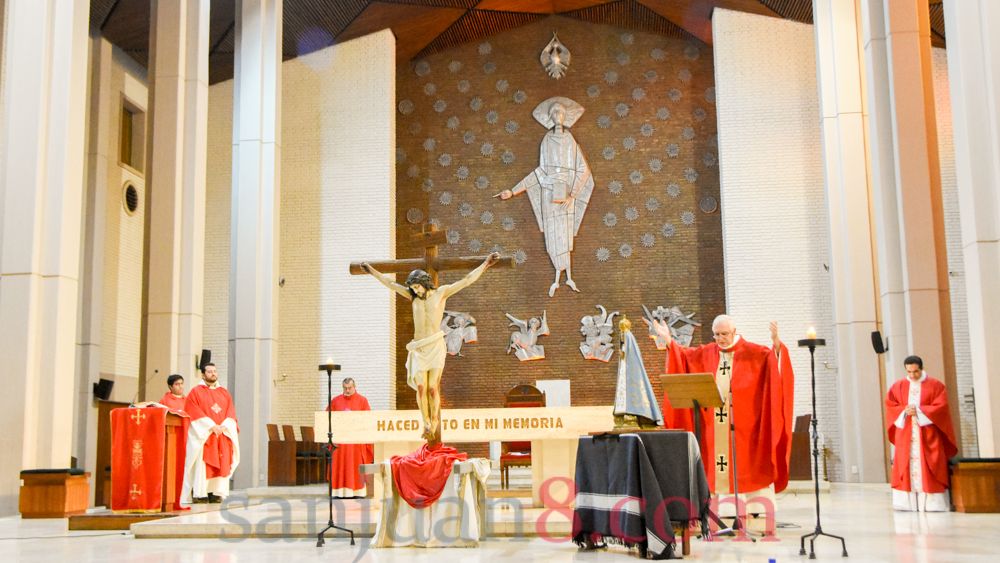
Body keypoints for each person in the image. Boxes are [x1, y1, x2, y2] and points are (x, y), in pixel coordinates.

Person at [361, 252, 501, 444]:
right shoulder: (413, 298)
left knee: (433, 389)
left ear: (424, 282)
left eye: (417, 286)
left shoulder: (441, 293)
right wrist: (371, 271)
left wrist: (485, 264)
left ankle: (434, 421)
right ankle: (425, 422)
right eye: (413, 288)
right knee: (420, 387)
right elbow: (390, 284)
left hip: (435, 345)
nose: (415, 290)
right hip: (419, 348)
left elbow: (467, 280)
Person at [652, 314, 794, 503]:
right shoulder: (707, 352)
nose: (720, 338)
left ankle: (753, 509)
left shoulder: (754, 352)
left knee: (748, 468)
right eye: (716, 334)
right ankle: (717, 509)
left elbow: (774, 366)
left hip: (744, 428)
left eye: (724, 334)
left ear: (734, 332)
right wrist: (669, 340)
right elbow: (684, 356)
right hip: (714, 426)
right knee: (715, 466)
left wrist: (777, 345)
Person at [496, 96, 594, 297]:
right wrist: (513, 191)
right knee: (552, 236)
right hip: (549, 193)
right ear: (550, 117)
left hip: (566, 194)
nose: (558, 115)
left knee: (565, 236)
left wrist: (572, 195)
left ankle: (568, 277)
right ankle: (557, 277)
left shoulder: (570, 140)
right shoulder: (546, 140)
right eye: (554, 113)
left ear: (566, 116)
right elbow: (540, 171)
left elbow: (582, 170)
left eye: (561, 112)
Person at [885, 355, 957, 512]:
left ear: (921, 368)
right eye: (909, 372)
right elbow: (890, 405)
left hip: (928, 433)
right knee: (904, 464)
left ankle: (933, 504)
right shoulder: (898, 386)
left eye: (915, 372)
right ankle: (906, 503)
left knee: (931, 464)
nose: (912, 375)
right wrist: (904, 410)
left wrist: (919, 410)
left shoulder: (935, 385)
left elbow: (941, 407)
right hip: (907, 434)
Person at [180, 363, 239, 504]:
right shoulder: (195, 392)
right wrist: (211, 426)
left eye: (214, 371)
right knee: (203, 464)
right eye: (209, 371)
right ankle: (200, 494)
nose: (213, 373)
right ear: (203, 375)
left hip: (221, 434)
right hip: (205, 435)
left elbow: (231, 412)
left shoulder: (224, 392)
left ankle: (216, 493)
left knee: (222, 462)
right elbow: (192, 411)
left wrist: (224, 426)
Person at [327, 378, 374, 497]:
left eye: (350, 388)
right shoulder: (335, 401)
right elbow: (327, 416)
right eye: (345, 388)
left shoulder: (362, 401)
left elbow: (367, 418)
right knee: (339, 464)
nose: (347, 390)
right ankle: (338, 492)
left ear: (354, 387)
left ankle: (357, 492)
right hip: (340, 441)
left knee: (355, 465)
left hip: (356, 440)